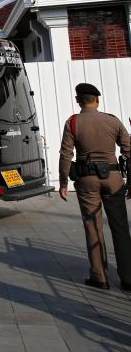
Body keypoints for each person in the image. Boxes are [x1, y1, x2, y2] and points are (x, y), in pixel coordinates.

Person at [58, 82, 131, 291]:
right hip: (114, 177)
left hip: (86, 179)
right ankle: (128, 277)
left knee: (93, 225)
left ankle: (99, 276)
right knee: (120, 227)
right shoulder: (113, 121)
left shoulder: (72, 122)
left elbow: (66, 154)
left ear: (78, 100)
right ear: (97, 100)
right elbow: (128, 150)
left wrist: (63, 181)